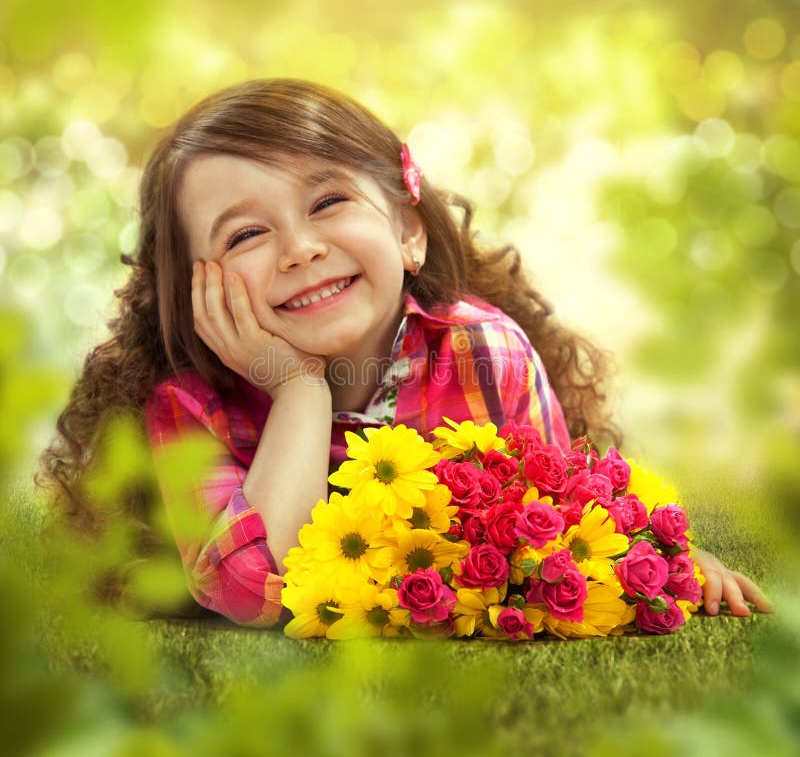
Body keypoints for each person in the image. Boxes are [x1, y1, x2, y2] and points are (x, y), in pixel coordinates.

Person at [39, 78, 771, 628]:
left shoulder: (485, 353)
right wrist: (297, 390)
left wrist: (654, 561)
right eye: (245, 236)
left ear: (409, 233)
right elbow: (263, 593)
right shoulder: (189, 412)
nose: (302, 248)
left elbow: (567, 521)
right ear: (194, 293)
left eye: (328, 203)